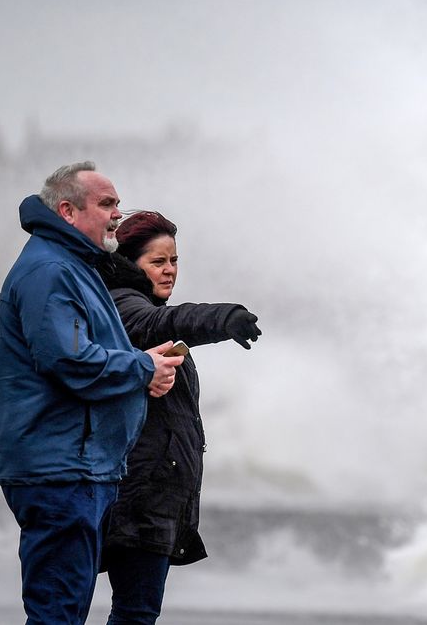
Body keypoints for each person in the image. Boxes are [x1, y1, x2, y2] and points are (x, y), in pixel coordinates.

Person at [0, 162, 186, 625]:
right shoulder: (52, 269)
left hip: (78, 467)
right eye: (107, 204)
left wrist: (145, 363)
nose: (118, 214)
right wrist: (143, 367)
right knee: (58, 614)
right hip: (61, 470)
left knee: (65, 609)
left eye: (117, 202)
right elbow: (70, 361)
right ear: (67, 210)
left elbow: (88, 350)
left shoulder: (75, 265)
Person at [95, 210, 262, 625]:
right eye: (157, 262)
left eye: (174, 261)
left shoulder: (133, 307)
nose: (170, 271)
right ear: (131, 265)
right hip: (140, 495)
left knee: (135, 612)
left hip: (153, 493)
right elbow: (162, 320)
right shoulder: (124, 307)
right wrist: (223, 319)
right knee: (135, 613)